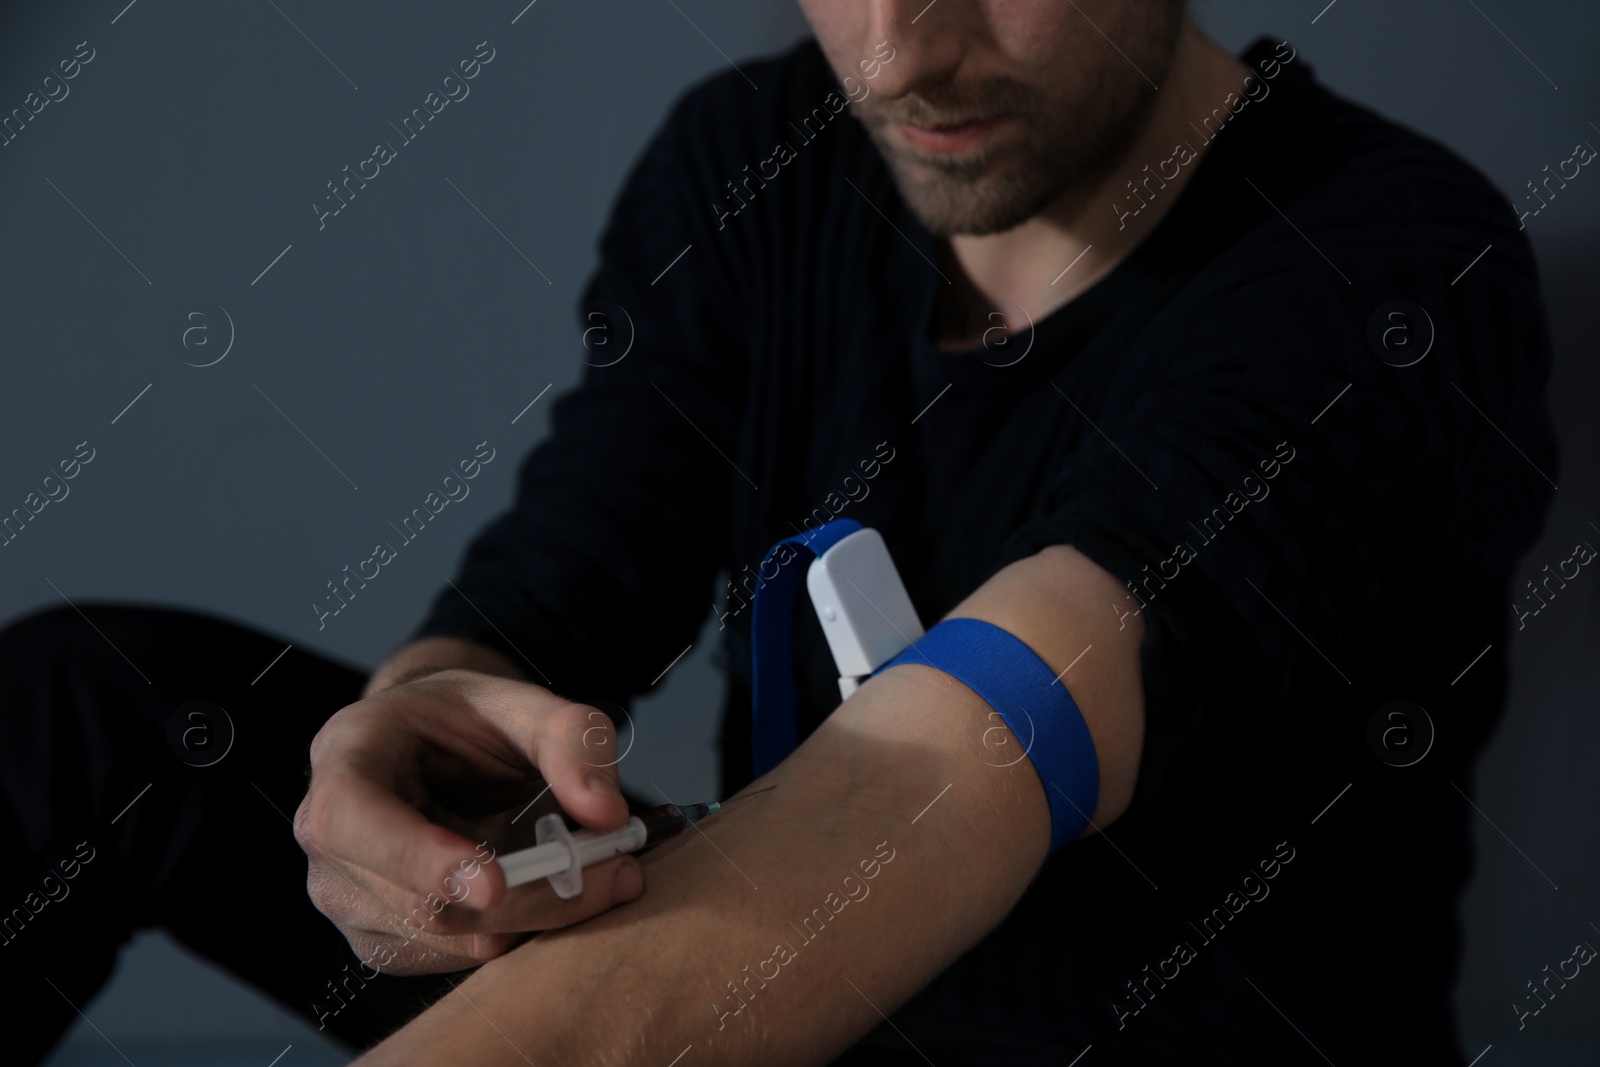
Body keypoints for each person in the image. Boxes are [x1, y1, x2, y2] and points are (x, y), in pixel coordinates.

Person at [1, 1, 1558, 1064]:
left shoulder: (1393, 267)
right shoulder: (761, 161)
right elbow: (559, 593)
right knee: (85, 708)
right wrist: (409, 747)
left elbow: (962, 761)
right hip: (763, 997)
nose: (902, 55)